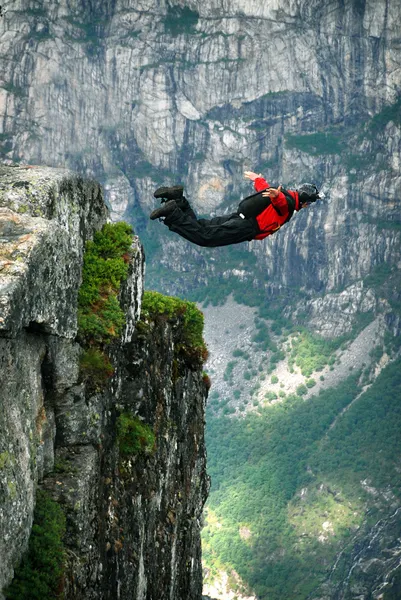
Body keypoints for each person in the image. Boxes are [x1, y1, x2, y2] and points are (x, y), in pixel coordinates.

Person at [149, 171, 320, 248]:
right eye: (309, 204)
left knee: (202, 226)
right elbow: (281, 204)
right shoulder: (288, 205)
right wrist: (277, 197)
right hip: (246, 227)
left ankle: (178, 200)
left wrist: (258, 179)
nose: (306, 206)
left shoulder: (285, 192)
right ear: (305, 203)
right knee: (204, 238)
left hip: (239, 216)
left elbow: (265, 189)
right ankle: (172, 211)